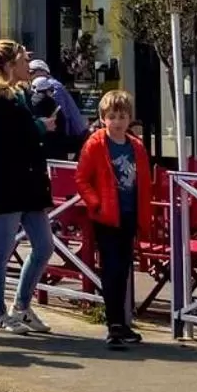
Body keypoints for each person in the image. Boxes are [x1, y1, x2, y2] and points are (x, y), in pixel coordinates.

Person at [0, 39, 57, 336]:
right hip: (7, 181)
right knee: (2, 248)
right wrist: (38, 127)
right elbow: (9, 135)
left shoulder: (20, 95)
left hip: (29, 180)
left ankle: (21, 306)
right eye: (23, 61)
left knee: (45, 245)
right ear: (10, 65)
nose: (28, 66)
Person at [76, 89, 144, 350]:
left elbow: (143, 183)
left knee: (124, 268)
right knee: (111, 268)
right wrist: (96, 204)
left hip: (128, 215)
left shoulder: (135, 146)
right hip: (106, 217)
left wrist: (143, 214)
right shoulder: (95, 143)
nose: (117, 122)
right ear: (103, 118)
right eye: (112, 116)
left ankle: (121, 322)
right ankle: (114, 323)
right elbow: (82, 178)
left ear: (129, 119)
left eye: (122, 116)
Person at [29, 58, 87, 158]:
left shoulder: (51, 85)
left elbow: (63, 114)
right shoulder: (46, 86)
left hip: (69, 135)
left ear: (43, 71)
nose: (30, 74)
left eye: (33, 71)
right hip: (70, 136)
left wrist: (64, 138)